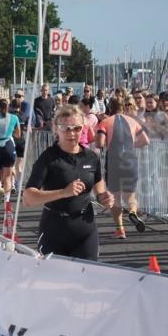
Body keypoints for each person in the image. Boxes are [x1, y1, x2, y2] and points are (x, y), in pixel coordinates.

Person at [24, 106, 114, 261]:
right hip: (54, 230)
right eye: (65, 128)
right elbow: (28, 198)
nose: (72, 133)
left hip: (85, 230)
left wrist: (105, 198)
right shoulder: (48, 158)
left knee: (85, 281)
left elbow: (99, 189)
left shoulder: (91, 157)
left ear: (84, 128)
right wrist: (63, 192)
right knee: (55, 283)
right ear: (56, 130)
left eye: (77, 128)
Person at [95, 95, 151, 239]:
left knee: (115, 197)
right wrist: (132, 145)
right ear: (123, 107)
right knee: (130, 195)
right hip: (130, 161)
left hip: (114, 162)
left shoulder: (105, 122)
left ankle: (120, 230)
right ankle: (132, 212)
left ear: (110, 108)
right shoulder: (133, 121)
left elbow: (100, 143)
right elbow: (146, 141)